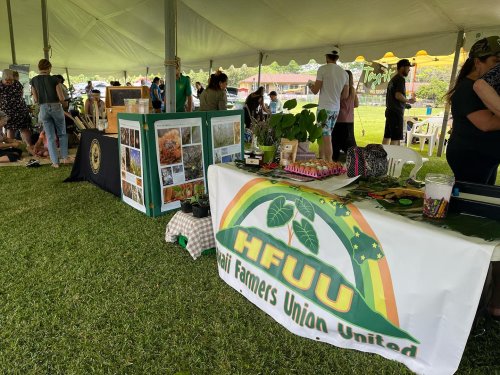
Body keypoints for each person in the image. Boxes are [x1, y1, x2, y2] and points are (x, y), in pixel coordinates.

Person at [445, 36, 500, 185]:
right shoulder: (467, 89)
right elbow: (487, 123)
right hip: (471, 156)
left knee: (483, 196)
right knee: (472, 200)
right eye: (495, 61)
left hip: (486, 156)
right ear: (477, 62)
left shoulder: (488, 88)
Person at [308, 48, 349, 161]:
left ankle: (328, 162)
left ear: (326, 57)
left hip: (323, 109)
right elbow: (345, 96)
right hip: (335, 108)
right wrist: (335, 98)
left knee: (326, 137)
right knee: (326, 135)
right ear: (337, 58)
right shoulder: (344, 73)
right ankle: (323, 159)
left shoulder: (322, 69)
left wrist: (310, 85)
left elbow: (316, 90)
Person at [31, 58, 72, 168]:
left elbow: (35, 99)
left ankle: (55, 162)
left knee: (50, 136)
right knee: (62, 133)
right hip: (56, 107)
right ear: (49, 68)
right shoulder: (54, 79)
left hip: (43, 108)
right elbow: (61, 97)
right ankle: (64, 158)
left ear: (39, 68)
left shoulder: (34, 80)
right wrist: (64, 105)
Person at [382, 59, 416, 145]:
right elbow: (398, 95)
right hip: (396, 113)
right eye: (408, 67)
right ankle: (394, 158)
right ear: (402, 68)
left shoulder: (393, 79)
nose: (409, 70)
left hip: (390, 111)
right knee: (395, 138)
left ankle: (381, 156)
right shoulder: (400, 79)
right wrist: (409, 100)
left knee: (387, 137)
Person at [331, 70, 359, 161]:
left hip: (338, 119)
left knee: (335, 143)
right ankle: (355, 163)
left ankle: (334, 161)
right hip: (350, 120)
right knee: (350, 144)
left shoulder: (340, 88)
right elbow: (356, 104)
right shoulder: (353, 90)